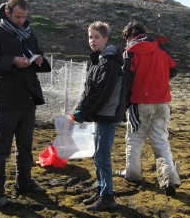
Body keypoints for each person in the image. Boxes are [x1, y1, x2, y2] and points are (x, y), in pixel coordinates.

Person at [0, 0, 51, 207]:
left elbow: (41, 59)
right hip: (7, 99)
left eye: (24, 17)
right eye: (18, 16)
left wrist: (39, 60)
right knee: (1, 146)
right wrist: (11, 61)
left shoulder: (29, 34)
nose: (21, 21)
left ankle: (24, 182)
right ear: (8, 13)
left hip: (28, 99)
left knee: (25, 146)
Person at [116, 21, 181, 196]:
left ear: (129, 36)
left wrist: (123, 106)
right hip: (162, 102)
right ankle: (169, 179)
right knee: (161, 141)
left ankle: (133, 174)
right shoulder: (161, 47)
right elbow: (174, 70)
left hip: (140, 104)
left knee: (135, 139)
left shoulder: (130, 52)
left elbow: (126, 81)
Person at [71, 21, 131, 211]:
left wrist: (84, 112)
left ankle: (108, 197)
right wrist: (81, 108)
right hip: (100, 115)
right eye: (90, 36)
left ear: (105, 39)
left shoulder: (110, 62)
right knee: (98, 154)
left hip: (107, 115)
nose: (92, 40)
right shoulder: (99, 60)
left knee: (103, 156)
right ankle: (100, 188)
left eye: (97, 37)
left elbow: (102, 93)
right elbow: (90, 90)